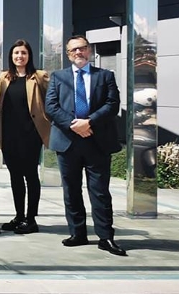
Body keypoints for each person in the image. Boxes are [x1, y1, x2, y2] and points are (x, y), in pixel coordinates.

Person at [45, 35, 126, 256]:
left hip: (97, 141)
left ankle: (105, 237)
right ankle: (77, 233)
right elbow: (51, 107)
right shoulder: (58, 77)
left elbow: (112, 104)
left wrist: (89, 122)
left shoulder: (105, 75)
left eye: (82, 49)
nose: (78, 53)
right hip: (68, 142)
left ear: (89, 51)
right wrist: (74, 126)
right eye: (73, 50)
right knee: (71, 191)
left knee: (99, 191)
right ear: (68, 54)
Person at [0, 39, 51, 235]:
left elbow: (51, 102)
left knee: (30, 175)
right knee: (15, 176)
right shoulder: (4, 77)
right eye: (16, 53)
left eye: (24, 53)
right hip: (10, 134)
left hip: (31, 134)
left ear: (29, 56)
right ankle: (19, 215)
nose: (20, 56)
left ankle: (31, 218)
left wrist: (47, 123)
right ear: (11, 57)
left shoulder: (39, 76)